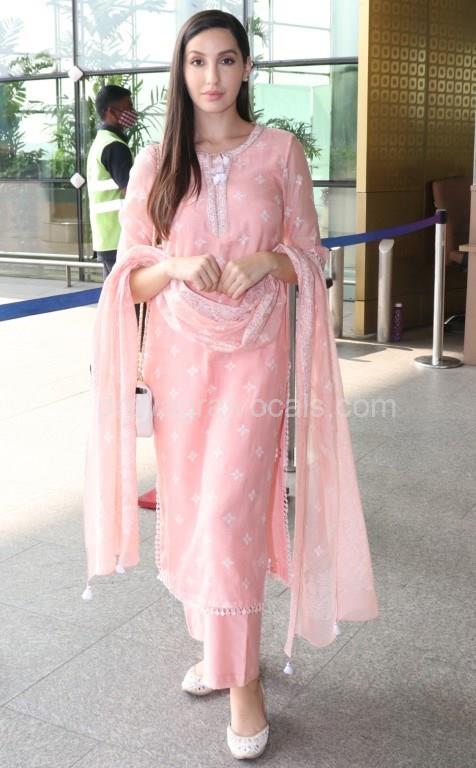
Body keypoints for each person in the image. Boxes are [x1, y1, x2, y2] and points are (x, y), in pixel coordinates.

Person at [83, 10, 379, 761]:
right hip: (181, 363)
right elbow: (129, 279)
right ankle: (219, 653)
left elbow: (310, 257)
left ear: (247, 68)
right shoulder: (156, 161)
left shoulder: (280, 152)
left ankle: (244, 684)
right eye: (196, 62)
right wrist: (176, 266)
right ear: (179, 73)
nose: (210, 76)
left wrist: (268, 262)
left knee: (227, 511)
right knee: (194, 510)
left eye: (225, 60)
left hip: (254, 361)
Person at [86, 85, 136, 279]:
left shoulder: (101, 141)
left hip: (106, 236)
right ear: (111, 112)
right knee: (126, 294)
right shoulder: (115, 146)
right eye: (128, 107)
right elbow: (132, 192)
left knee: (114, 294)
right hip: (119, 236)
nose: (133, 112)